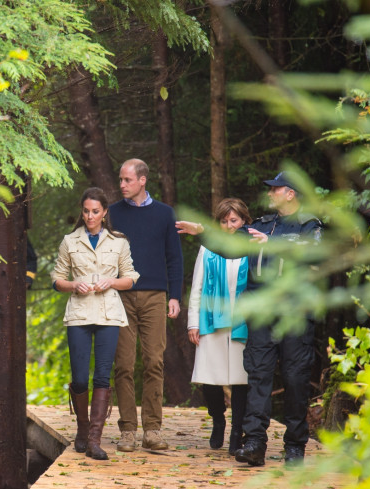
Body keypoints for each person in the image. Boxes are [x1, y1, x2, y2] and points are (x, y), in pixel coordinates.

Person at [176, 170, 322, 466]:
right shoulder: (263, 225)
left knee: (295, 380)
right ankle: (254, 442)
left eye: (275, 189)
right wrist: (201, 231)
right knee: (257, 378)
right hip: (260, 315)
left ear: (290, 193)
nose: (269, 193)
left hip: (294, 315)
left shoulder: (310, 225)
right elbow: (228, 244)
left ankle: (295, 447)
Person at [51, 187, 139, 460]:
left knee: (102, 375)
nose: (90, 216)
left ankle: (94, 440)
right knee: (79, 378)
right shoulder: (70, 241)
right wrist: (73, 285)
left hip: (109, 315)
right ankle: (81, 428)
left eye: (96, 211)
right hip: (79, 314)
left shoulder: (119, 242)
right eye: (87, 211)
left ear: (105, 213)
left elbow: (131, 276)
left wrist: (111, 282)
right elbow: (56, 279)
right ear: (82, 211)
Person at [109, 159, 184, 452]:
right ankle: (128, 430)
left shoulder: (164, 213)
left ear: (142, 180)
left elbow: (174, 257)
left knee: (154, 361)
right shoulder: (112, 214)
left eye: (127, 180)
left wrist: (175, 296)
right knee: (124, 364)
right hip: (121, 296)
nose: (122, 185)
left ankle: (152, 430)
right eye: (121, 180)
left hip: (155, 296)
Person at [186, 198, 251, 456]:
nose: (228, 226)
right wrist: (193, 322)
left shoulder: (252, 248)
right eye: (223, 221)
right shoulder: (209, 248)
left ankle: (237, 432)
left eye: (233, 220)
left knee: (240, 380)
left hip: (243, 322)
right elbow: (197, 286)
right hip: (211, 321)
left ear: (244, 221)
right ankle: (218, 419)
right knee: (209, 379)